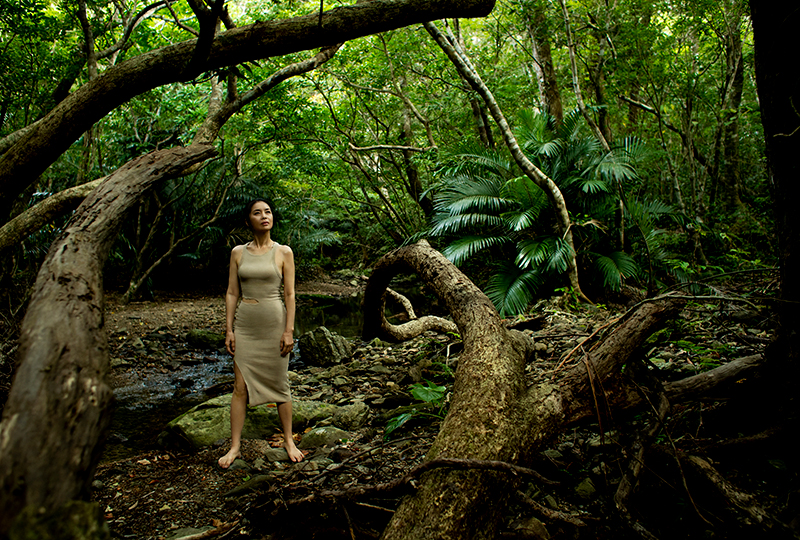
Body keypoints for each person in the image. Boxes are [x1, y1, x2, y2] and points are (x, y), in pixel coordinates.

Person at [218, 198, 304, 468]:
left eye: (268, 211)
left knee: (280, 383)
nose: (264, 216)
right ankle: (234, 447)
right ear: (248, 221)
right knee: (240, 387)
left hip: (274, 323)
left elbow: (290, 294)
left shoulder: (284, 252)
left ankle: (289, 440)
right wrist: (229, 328)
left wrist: (289, 331)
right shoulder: (237, 253)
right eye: (257, 213)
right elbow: (232, 292)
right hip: (245, 324)